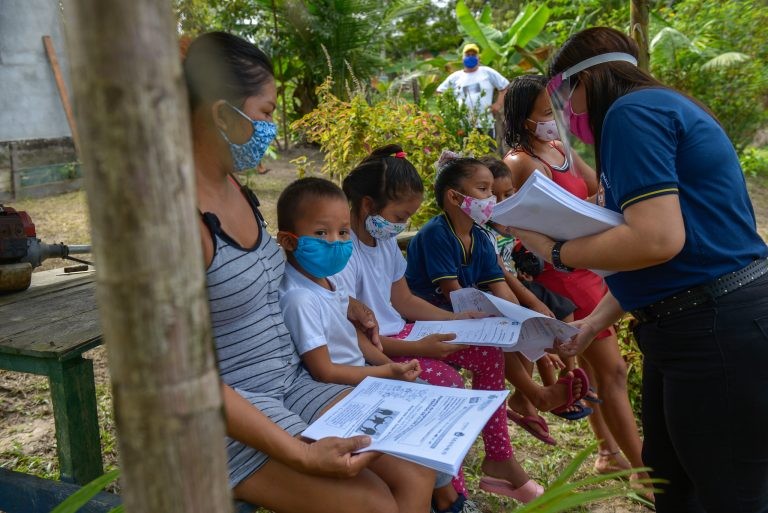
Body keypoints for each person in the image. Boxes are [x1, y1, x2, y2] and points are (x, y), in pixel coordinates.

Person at [512, 27, 768, 513]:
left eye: (565, 98)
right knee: (674, 480)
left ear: (586, 82)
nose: (567, 114)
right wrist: (590, 325)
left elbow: (655, 240)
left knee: (726, 494)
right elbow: (668, 255)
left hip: (713, 330)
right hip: (696, 323)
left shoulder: (631, 114)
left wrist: (558, 251)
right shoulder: (657, 107)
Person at [184, 31, 435, 512]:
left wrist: (348, 302)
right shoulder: (180, 219)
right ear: (221, 114)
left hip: (292, 382)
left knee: (416, 465)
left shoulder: (236, 189)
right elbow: (187, 378)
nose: (271, 127)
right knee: (373, 503)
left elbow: (263, 278)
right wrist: (300, 453)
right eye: (265, 113)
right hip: (223, 418)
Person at [336, 145, 552, 508]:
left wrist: (457, 321)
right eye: (400, 215)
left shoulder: (385, 242)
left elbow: (402, 301)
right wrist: (422, 349)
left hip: (404, 331)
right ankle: (453, 494)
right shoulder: (345, 250)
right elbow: (360, 336)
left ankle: (498, 456)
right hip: (384, 347)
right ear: (368, 205)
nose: (402, 226)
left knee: (487, 354)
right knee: (447, 383)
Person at [501, 73, 647, 485]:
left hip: (588, 264)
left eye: (554, 111)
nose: (554, 120)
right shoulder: (521, 162)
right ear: (523, 118)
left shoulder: (558, 149)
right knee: (613, 371)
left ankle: (608, 453)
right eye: (545, 114)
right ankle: (643, 473)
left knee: (596, 368)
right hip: (563, 273)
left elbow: (593, 186)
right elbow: (554, 216)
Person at [436, 43, 509, 136]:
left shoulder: (487, 72)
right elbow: (440, 91)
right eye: (468, 55)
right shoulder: (455, 77)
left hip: (485, 123)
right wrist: (451, 110)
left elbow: (505, 86)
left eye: (473, 55)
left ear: (478, 58)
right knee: (464, 150)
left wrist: (498, 104)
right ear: (462, 58)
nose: (470, 57)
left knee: (489, 149)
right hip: (463, 125)